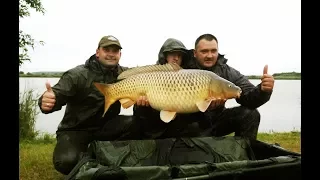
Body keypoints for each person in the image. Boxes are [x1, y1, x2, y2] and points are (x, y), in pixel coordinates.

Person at [38, 35, 140, 175]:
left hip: (107, 127)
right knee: (66, 162)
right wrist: (47, 101)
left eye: (115, 51)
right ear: (98, 52)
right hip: (75, 130)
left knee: (138, 123)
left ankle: (112, 157)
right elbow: (57, 94)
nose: (111, 54)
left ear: (120, 55)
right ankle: (88, 158)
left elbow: (147, 76)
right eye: (106, 50)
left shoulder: (125, 74)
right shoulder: (78, 74)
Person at [186, 33, 275, 140]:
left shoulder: (227, 72)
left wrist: (263, 90)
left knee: (250, 114)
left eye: (213, 51)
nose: (209, 55)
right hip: (188, 124)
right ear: (195, 53)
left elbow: (247, 95)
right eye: (204, 51)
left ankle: (242, 153)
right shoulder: (183, 68)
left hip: (215, 122)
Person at [133, 38, 215, 139]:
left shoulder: (191, 76)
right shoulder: (152, 74)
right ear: (165, 56)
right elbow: (139, 114)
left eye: (179, 55)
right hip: (156, 127)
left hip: (179, 126)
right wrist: (141, 107)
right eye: (172, 54)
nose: (176, 58)